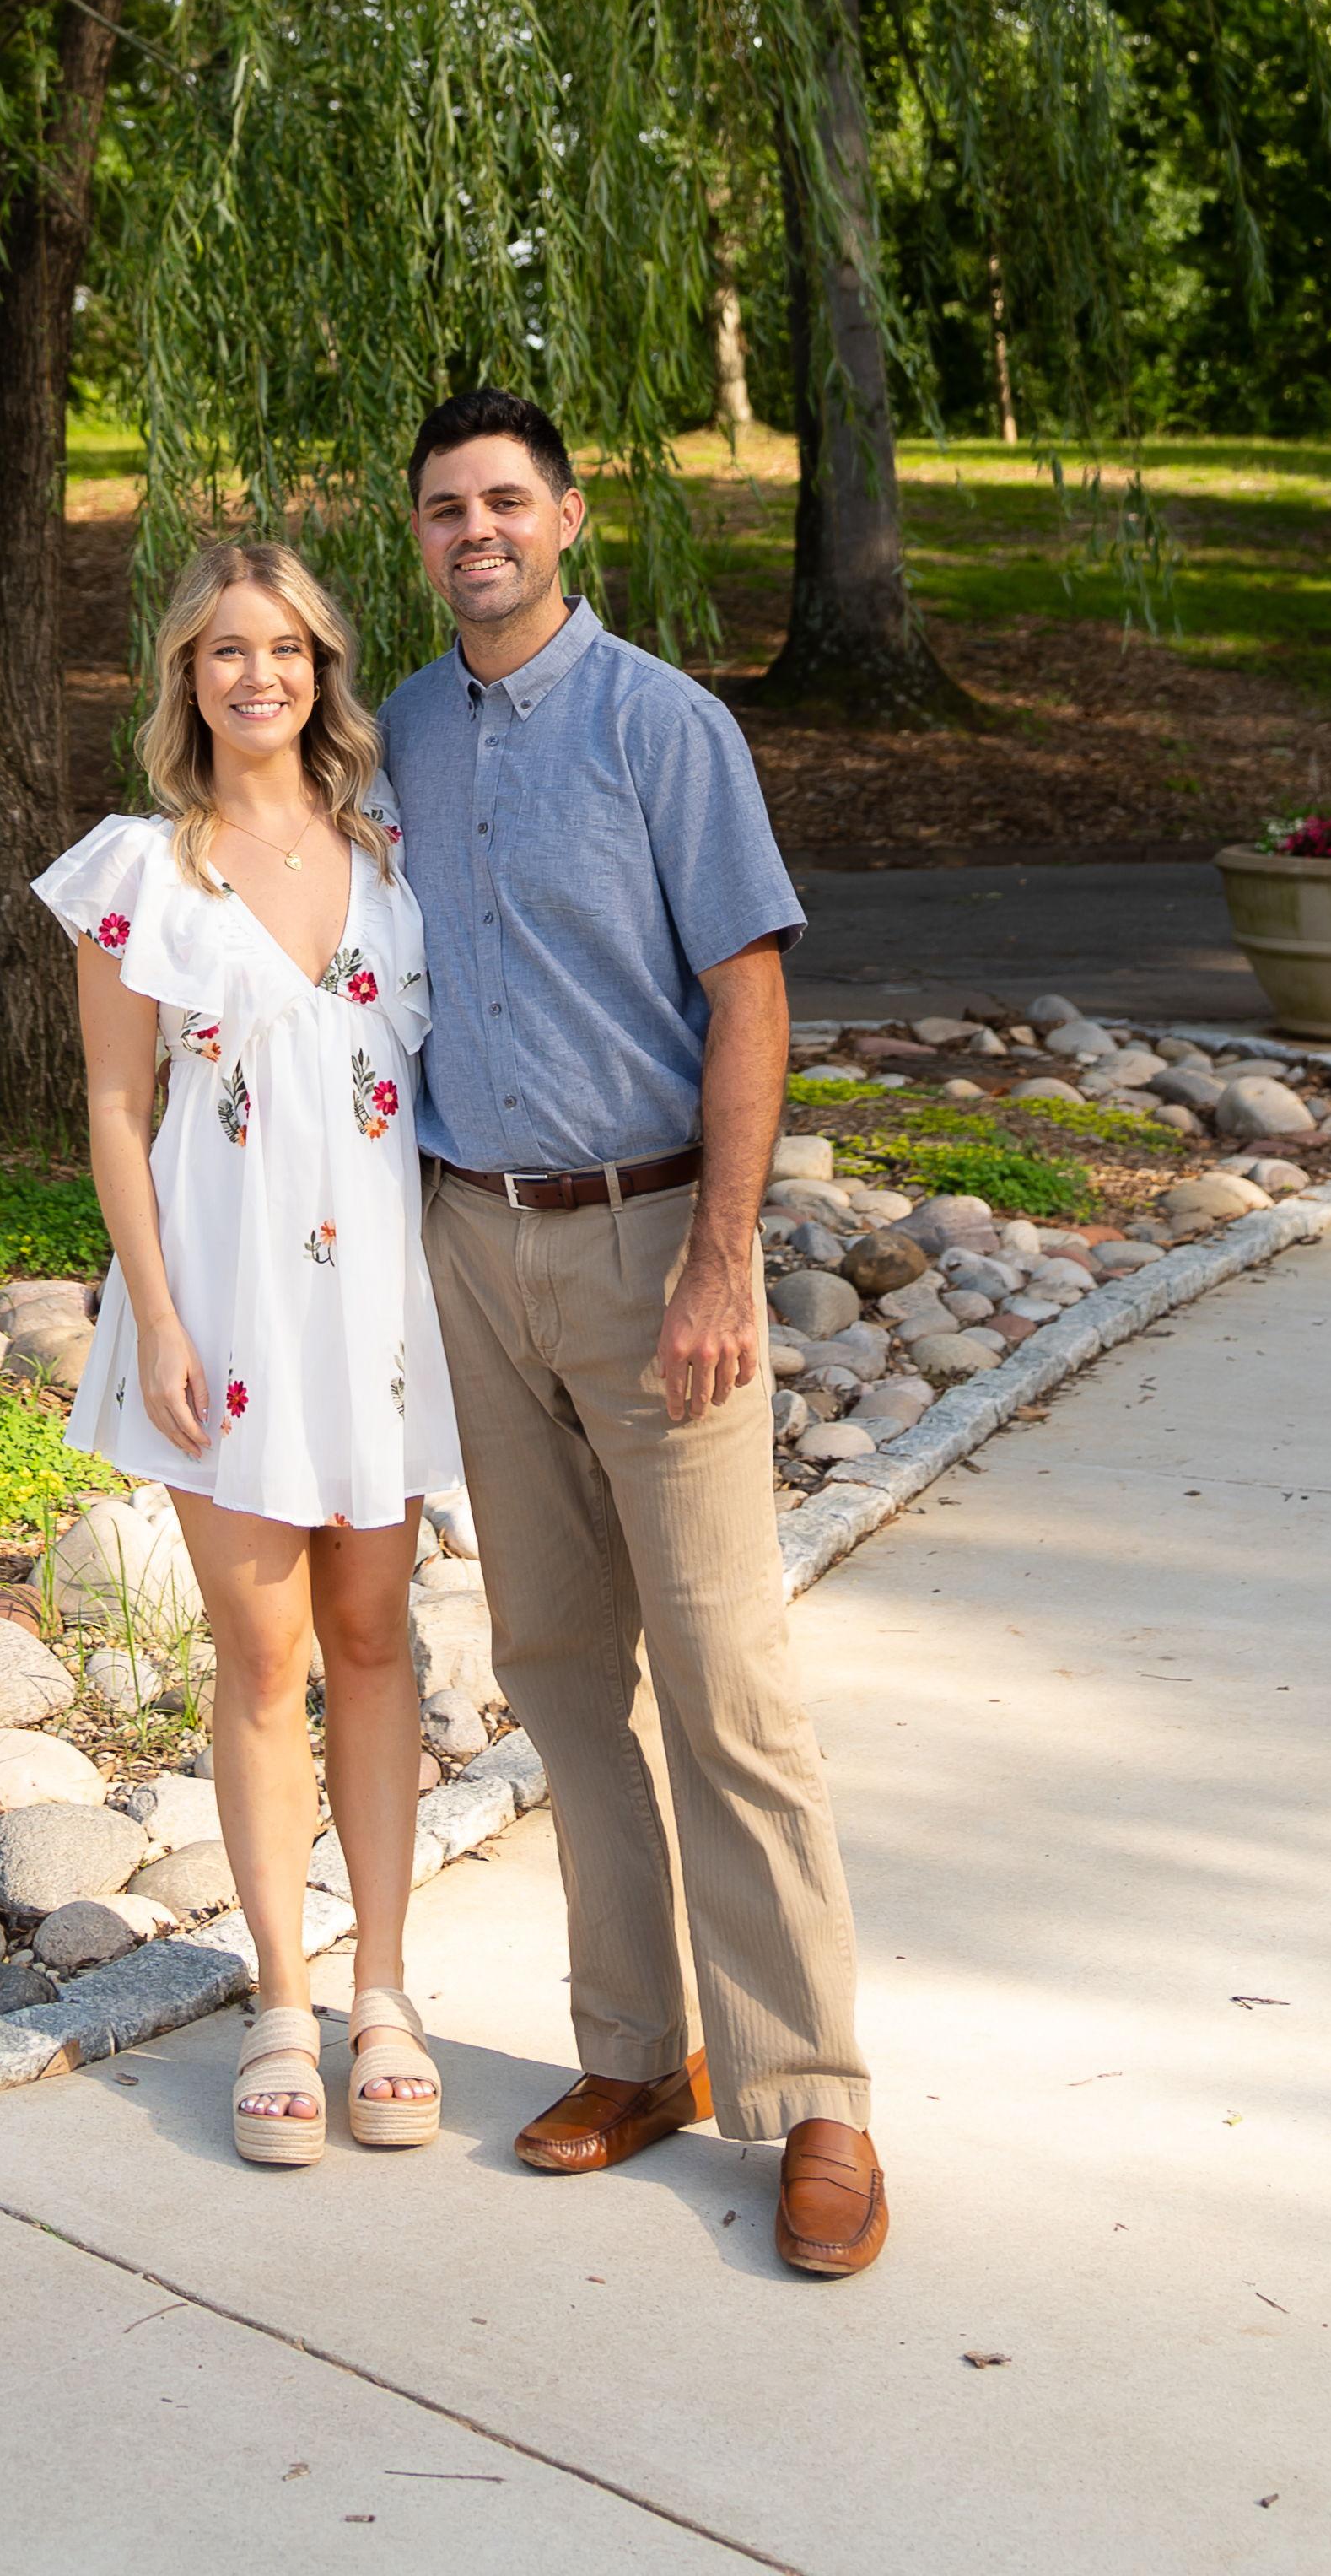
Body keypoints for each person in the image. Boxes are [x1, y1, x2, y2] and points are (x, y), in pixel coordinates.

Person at [381, 386, 888, 2282]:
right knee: (556, 1663)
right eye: (447, 508)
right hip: (473, 1244)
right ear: (420, 537)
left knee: (724, 1674)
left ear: (569, 519)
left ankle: (814, 2093)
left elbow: (748, 995)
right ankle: (635, 2053)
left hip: (652, 1240)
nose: (478, 532)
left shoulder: (664, 726)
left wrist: (721, 1261)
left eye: (507, 501)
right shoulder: (402, 733)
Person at [38, 533, 458, 2168]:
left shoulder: (395, 851)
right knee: (264, 1654)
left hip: (376, 1313)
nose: (258, 674)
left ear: (321, 671)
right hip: (220, 1309)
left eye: (285, 648)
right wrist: (154, 1315)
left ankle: (387, 1998)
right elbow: (112, 1105)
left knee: (373, 1638)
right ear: (188, 677)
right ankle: (284, 2003)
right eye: (227, 649)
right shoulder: (140, 870)